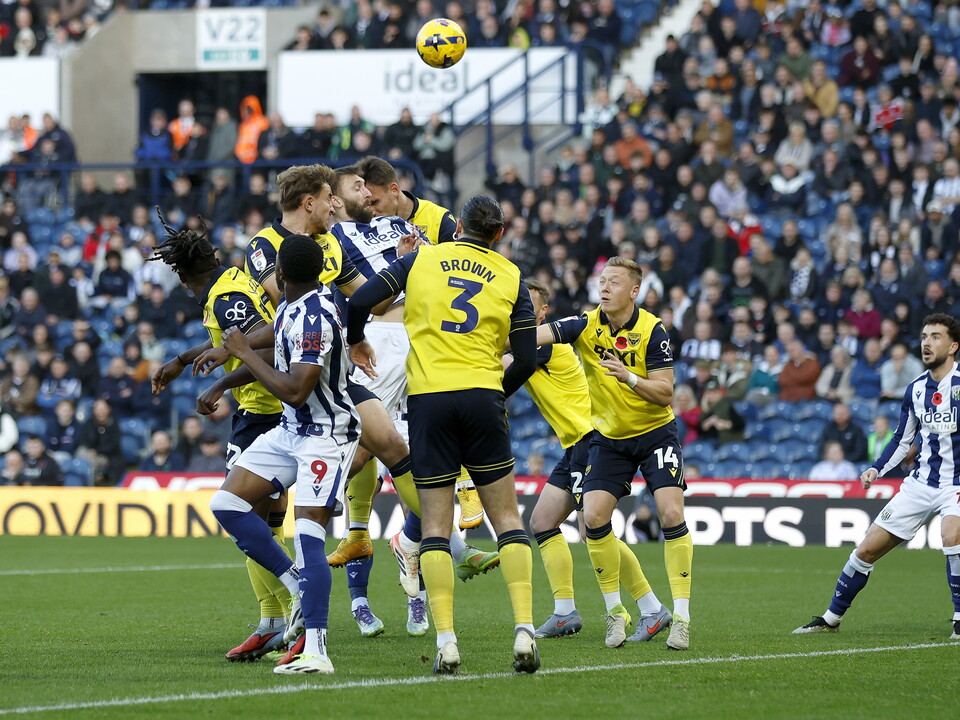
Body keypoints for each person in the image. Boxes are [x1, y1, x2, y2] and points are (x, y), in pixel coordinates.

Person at [346, 195, 541, 675]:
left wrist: (356, 342)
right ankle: (524, 632)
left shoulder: (421, 258)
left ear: (458, 227)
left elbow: (359, 301)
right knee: (508, 519)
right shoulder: (512, 276)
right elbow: (529, 358)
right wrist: (496, 391)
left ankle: (448, 642)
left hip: (429, 401)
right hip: (481, 397)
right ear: (497, 234)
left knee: (434, 526)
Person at [329, 167, 497, 638]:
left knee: (424, 453)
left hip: (421, 337)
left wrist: (415, 261)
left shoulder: (403, 224)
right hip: (377, 342)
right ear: (334, 201)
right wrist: (402, 271)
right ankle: (351, 577)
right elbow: (373, 303)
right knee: (362, 450)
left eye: (368, 186)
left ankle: (417, 583)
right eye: (354, 188)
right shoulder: (333, 239)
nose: (366, 193)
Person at [210, 234, 362, 675]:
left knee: (307, 534)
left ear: (280, 274)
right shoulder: (298, 303)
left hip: (325, 435)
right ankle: (297, 583)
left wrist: (239, 352)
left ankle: (317, 649)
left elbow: (296, 390)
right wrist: (223, 375)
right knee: (228, 504)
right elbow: (274, 331)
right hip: (290, 431)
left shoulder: (314, 318)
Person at [148, 214, 291, 663]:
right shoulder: (230, 283)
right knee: (264, 527)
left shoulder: (227, 296)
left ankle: (289, 609)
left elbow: (270, 347)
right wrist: (181, 359)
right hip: (267, 412)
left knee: (240, 517)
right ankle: (276, 621)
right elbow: (232, 343)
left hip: (263, 414)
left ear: (180, 275)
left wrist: (219, 386)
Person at [533, 256, 692, 651]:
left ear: (634, 290)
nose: (604, 287)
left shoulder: (653, 329)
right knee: (593, 517)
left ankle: (681, 618)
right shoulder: (586, 325)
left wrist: (629, 377)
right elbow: (536, 337)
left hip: (655, 434)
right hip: (609, 439)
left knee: (671, 514)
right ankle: (615, 613)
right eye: (601, 281)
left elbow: (665, 393)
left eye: (613, 282)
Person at [794, 314, 960, 640]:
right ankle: (831, 617)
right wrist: (876, 468)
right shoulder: (915, 390)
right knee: (866, 550)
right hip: (921, 482)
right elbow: (902, 440)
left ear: (953, 346)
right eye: (925, 336)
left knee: (951, 536)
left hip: (956, 484)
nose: (927, 342)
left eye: (936, 337)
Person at [354, 156, 485, 527]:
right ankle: (359, 528)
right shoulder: (360, 226)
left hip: (428, 332)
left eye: (375, 200)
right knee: (371, 442)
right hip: (388, 334)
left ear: (394, 190)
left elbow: (464, 274)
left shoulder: (440, 221)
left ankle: (461, 489)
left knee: (436, 417)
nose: (370, 207)